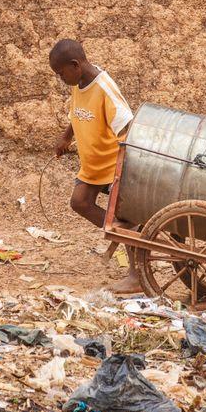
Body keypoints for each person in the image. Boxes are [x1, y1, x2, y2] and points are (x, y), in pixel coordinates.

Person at [49, 39, 141, 294]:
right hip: (93, 165)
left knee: (122, 216)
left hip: (112, 166)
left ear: (75, 65)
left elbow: (126, 125)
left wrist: (123, 169)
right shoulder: (79, 84)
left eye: (60, 73)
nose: (60, 78)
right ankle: (122, 231)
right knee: (79, 202)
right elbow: (76, 113)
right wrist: (66, 137)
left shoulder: (104, 87)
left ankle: (136, 275)